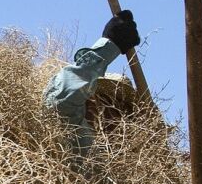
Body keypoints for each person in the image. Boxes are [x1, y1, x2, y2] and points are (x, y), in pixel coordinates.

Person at [43, 10, 142, 159]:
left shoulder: (131, 162)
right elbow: (59, 102)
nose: (109, 111)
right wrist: (110, 45)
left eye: (119, 109)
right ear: (89, 100)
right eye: (105, 101)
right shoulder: (77, 141)